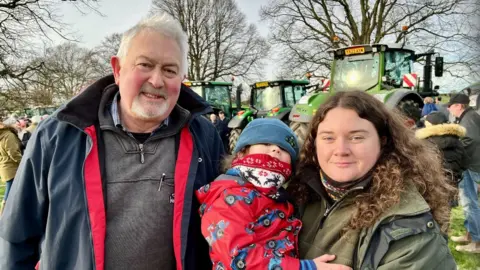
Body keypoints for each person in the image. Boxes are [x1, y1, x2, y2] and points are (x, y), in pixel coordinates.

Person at [0, 13, 225, 270]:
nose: (156, 80)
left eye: (169, 70)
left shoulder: (204, 138)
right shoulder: (58, 135)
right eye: (145, 65)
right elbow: (16, 236)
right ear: (118, 70)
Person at [288, 91, 456, 269]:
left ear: (383, 141)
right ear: (314, 143)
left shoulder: (405, 229)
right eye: (328, 137)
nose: (341, 150)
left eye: (356, 137)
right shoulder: (295, 194)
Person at [196, 118, 350, 270]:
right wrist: (304, 267)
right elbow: (239, 257)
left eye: (284, 149)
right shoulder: (229, 197)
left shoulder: (279, 197)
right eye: (266, 144)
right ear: (242, 152)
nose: (276, 150)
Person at [447, 93, 480, 253]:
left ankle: (476, 242)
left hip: (471, 166)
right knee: (468, 202)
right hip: (471, 165)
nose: (449, 108)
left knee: (470, 204)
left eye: (451, 105)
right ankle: (470, 235)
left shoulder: (470, 117)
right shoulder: (469, 116)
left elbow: (472, 139)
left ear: (459, 106)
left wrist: (456, 148)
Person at [415, 111, 467, 206]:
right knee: (446, 213)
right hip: (451, 184)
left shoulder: (425, 142)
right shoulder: (457, 141)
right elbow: (464, 163)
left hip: (431, 187)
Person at [0, 122, 22, 215]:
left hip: (5, 167)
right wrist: (23, 163)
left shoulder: (2, 136)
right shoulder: (8, 135)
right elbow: (13, 153)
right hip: (12, 168)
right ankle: (3, 215)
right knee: (9, 195)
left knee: (11, 193)